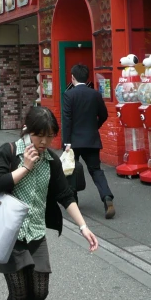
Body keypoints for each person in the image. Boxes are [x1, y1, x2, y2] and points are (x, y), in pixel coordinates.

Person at [0, 106, 99, 300]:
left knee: (40, 291)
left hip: (36, 231)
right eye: (40, 135)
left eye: (50, 136)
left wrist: (83, 227)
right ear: (28, 130)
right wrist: (26, 167)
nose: (44, 141)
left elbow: (65, 195)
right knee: (19, 293)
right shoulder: (8, 151)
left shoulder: (51, 160)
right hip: (10, 234)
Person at [61, 64, 114, 219]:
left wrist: (66, 142)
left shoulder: (69, 95)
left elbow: (67, 120)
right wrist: (94, 127)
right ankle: (107, 197)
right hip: (91, 139)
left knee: (70, 170)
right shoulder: (95, 94)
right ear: (87, 77)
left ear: (72, 77)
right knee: (96, 170)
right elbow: (104, 114)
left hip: (74, 141)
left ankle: (73, 201)